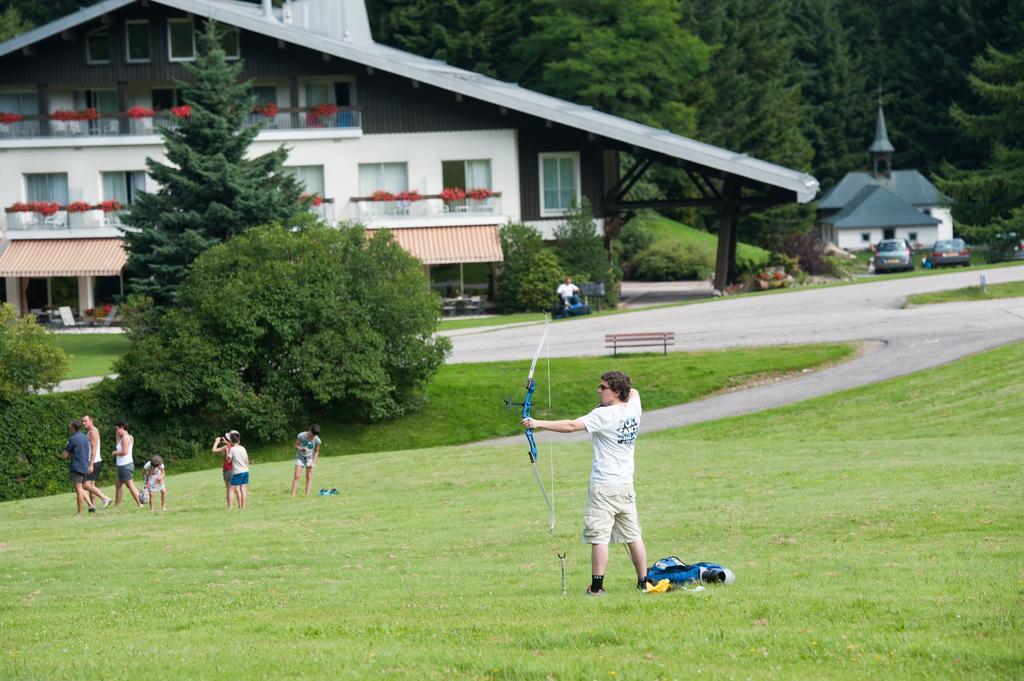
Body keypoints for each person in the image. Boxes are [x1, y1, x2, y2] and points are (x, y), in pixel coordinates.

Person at [522, 370, 649, 595]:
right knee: (633, 535)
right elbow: (635, 392)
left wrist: (536, 423)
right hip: (625, 487)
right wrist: (622, 392)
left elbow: (571, 426)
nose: (598, 391)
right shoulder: (633, 408)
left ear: (617, 392)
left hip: (603, 487)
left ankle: (597, 588)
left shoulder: (605, 416)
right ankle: (643, 581)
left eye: (603, 388)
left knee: (599, 537)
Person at [61, 419, 94, 515]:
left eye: (70, 425)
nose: (69, 427)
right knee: (82, 488)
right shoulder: (85, 437)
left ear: (73, 427)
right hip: (85, 466)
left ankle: (79, 512)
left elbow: (64, 455)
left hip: (76, 467)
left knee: (79, 489)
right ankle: (91, 506)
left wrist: (69, 455)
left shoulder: (72, 439)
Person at [81, 414, 112, 510]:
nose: (83, 423)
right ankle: (92, 506)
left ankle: (105, 498)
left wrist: (90, 465)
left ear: (91, 420)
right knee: (91, 485)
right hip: (95, 461)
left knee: (84, 485)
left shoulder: (93, 432)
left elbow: (94, 449)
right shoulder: (92, 431)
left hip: (94, 462)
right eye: (82, 421)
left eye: (85, 421)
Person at [111, 421, 143, 507]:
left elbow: (124, 451)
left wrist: (115, 453)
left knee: (130, 485)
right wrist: (117, 433)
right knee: (118, 484)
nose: (116, 431)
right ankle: (116, 505)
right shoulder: (129, 437)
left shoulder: (125, 438)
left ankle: (140, 503)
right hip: (124, 465)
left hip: (125, 466)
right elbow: (118, 444)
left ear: (122, 427)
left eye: (117, 429)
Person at [291, 424, 322, 497]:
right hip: (300, 457)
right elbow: (296, 446)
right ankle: (292, 496)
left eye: (314, 436)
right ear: (309, 429)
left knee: (308, 477)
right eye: (312, 434)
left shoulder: (317, 440)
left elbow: (317, 451)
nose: (312, 437)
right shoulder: (301, 435)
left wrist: (313, 463)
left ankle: (306, 496)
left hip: (309, 459)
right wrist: (301, 449)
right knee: (297, 476)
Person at [213, 431, 241, 508]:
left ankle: (229, 507)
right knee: (237, 489)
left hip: (228, 470)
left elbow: (214, 450)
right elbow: (231, 445)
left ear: (230, 440)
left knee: (229, 490)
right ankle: (241, 506)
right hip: (236, 469)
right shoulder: (237, 447)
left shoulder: (226, 448)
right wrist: (226, 441)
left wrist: (216, 442)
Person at [226, 432, 249, 510]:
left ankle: (229, 508)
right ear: (238, 441)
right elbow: (247, 461)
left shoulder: (232, 449)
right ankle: (243, 507)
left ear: (231, 441)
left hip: (237, 472)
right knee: (243, 488)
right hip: (245, 471)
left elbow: (228, 461)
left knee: (231, 489)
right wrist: (246, 468)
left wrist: (227, 453)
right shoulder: (243, 448)